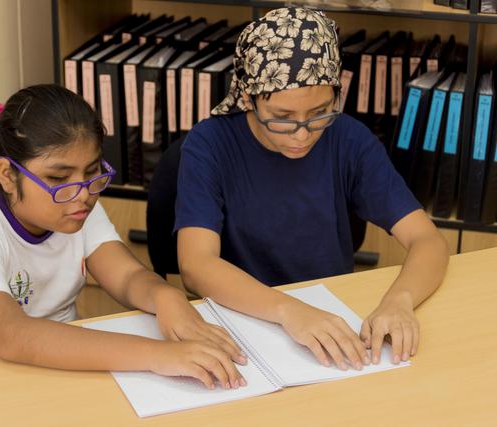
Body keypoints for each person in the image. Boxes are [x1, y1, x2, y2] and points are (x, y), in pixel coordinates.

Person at [0, 84, 247, 390]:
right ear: (7, 174)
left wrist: (166, 298)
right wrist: (158, 355)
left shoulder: (75, 204)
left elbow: (128, 276)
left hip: (58, 368)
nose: (83, 195)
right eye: (59, 178)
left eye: (92, 173)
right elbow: (13, 336)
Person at [175, 7, 449, 371]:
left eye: (320, 112)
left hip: (333, 317)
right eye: (283, 119)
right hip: (242, 322)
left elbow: (426, 240)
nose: (303, 135)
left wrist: (400, 300)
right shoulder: (209, 145)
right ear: (248, 97)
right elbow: (196, 264)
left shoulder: (348, 139)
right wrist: (288, 311)